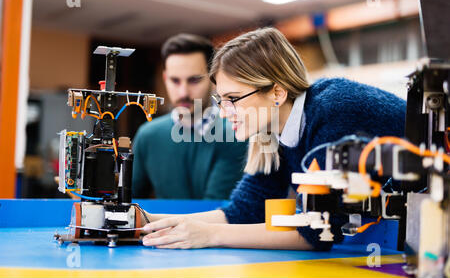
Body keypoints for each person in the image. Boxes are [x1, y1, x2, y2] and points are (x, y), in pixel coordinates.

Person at [138, 27, 406, 251]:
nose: (224, 112)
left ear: (277, 93)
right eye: (221, 101)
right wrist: (148, 220)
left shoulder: (333, 111)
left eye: (233, 99)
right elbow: (244, 211)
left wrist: (209, 234)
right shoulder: (272, 132)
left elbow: (317, 233)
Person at [132, 33, 247, 199]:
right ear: (165, 78)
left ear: (214, 79)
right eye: (175, 81)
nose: (183, 92)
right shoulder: (148, 135)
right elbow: (131, 203)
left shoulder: (235, 134)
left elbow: (215, 208)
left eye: (194, 80)